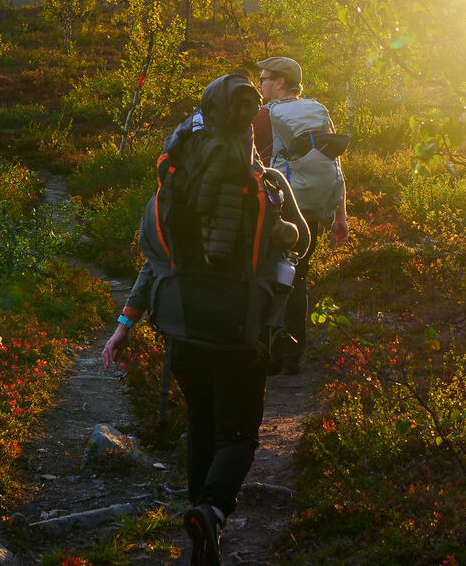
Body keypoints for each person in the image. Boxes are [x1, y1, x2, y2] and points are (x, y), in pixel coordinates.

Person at [102, 73, 309, 566]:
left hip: (181, 328)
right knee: (238, 434)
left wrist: (124, 325)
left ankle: (200, 521)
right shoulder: (269, 186)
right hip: (242, 331)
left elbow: (155, 261)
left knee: (200, 423)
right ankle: (213, 513)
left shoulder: (172, 190)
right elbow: (299, 241)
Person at [252, 56, 349, 374]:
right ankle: (294, 355)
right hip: (313, 210)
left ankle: (272, 352)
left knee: (269, 275)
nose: (260, 83)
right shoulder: (318, 110)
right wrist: (340, 217)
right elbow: (335, 162)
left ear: (280, 82)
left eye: (264, 78)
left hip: (282, 209)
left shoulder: (266, 115)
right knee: (298, 276)